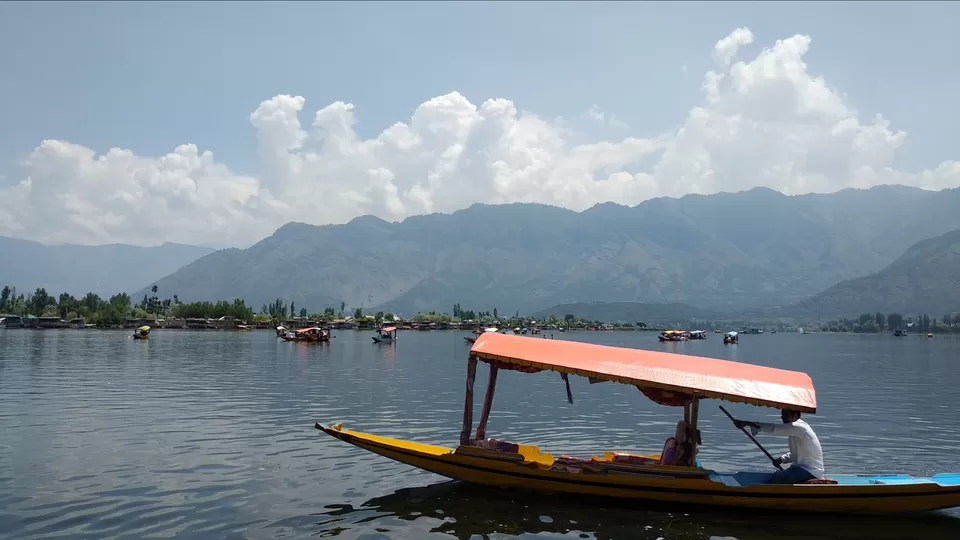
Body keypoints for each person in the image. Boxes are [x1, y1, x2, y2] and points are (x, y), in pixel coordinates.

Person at [734, 409, 824, 484]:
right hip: (802, 469)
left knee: (777, 477)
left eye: (785, 414)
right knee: (778, 475)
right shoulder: (796, 429)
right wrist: (781, 459)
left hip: (810, 471)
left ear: (795, 416)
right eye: (782, 414)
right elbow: (795, 454)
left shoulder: (799, 427)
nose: (782, 417)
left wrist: (749, 423)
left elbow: (775, 429)